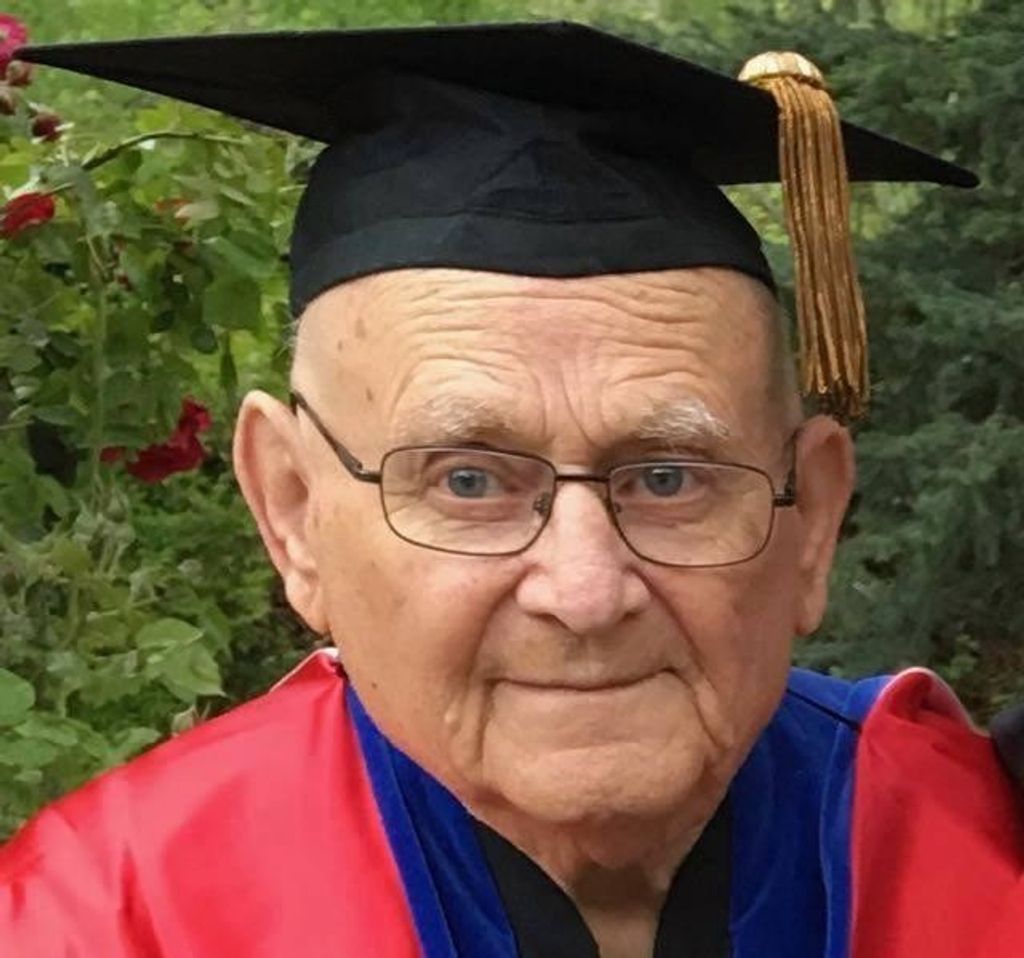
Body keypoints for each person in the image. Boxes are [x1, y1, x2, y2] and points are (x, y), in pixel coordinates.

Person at [2, 21, 1022, 958]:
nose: (584, 592)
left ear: (812, 519)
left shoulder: (979, 857)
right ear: (294, 514)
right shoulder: (111, 917)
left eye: (668, 477)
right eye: (468, 480)